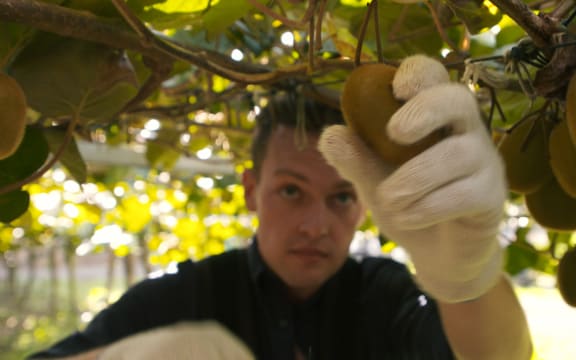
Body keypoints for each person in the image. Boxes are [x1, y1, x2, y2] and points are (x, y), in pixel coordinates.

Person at [29, 55, 533, 360]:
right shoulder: (180, 298)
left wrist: (469, 280)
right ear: (251, 190)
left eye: (341, 197)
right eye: (291, 190)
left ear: (363, 204)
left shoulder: (384, 296)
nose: (317, 225)